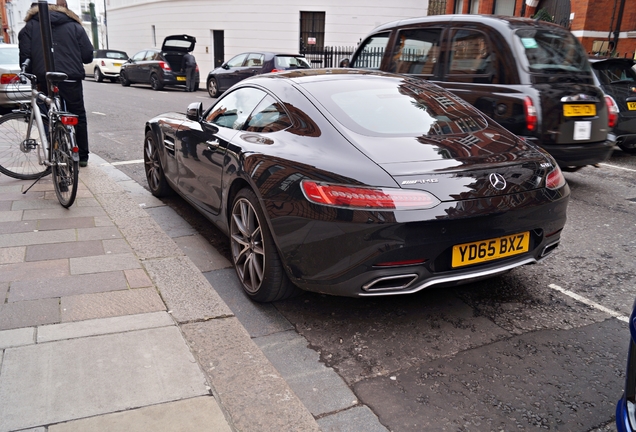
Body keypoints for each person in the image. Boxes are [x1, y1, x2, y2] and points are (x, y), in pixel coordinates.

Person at [18, 0, 94, 167]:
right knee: (78, 115)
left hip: (44, 78)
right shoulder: (74, 26)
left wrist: (28, 72)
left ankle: (53, 150)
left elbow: (25, 56)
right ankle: (82, 157)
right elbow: (88, 55)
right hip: (71, 77)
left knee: (46, 115)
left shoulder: (29, 27)